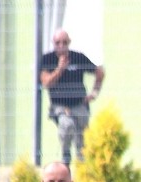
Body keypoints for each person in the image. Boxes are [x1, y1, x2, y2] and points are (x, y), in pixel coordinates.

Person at [40, 29, 105, 165]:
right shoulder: (48, 59)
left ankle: (83, 169)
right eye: (58, 43)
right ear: (54, 43)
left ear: (69, 43)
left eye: (64, 42)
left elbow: (99, 71)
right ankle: (65, 158)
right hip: (59, 106)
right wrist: (60, 69)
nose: (61, 46)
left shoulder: (78, 57)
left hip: (79, 104)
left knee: (83, 141)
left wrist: (94, 93)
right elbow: (46, 82)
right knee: (67, 125)